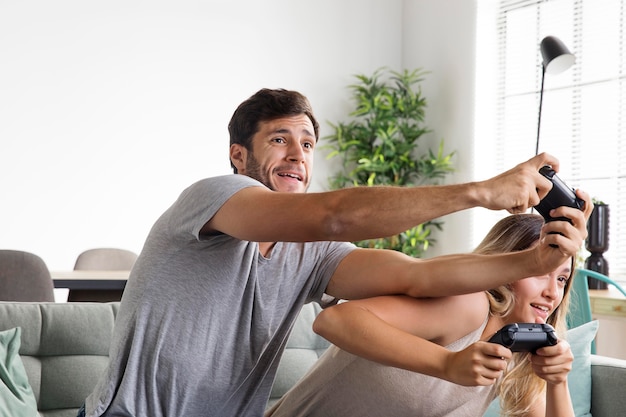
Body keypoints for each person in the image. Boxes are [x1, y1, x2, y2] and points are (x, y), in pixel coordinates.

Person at [80, 88, 592, 417]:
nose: (297, 155)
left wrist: (536, 262)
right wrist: (479, 192)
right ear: (239, 155)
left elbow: (418, 278)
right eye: (279, 139)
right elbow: (336, 214)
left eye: (306, 144)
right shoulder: (213, 198)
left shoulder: (314, 254)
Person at [265, 212, 584, 417]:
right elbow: (334, 320)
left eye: (561, 278)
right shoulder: (470, 305)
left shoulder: (519, 349)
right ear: (505, 264)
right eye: (540, 272)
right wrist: (448, 364)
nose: (553, 293)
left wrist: (557, 381)